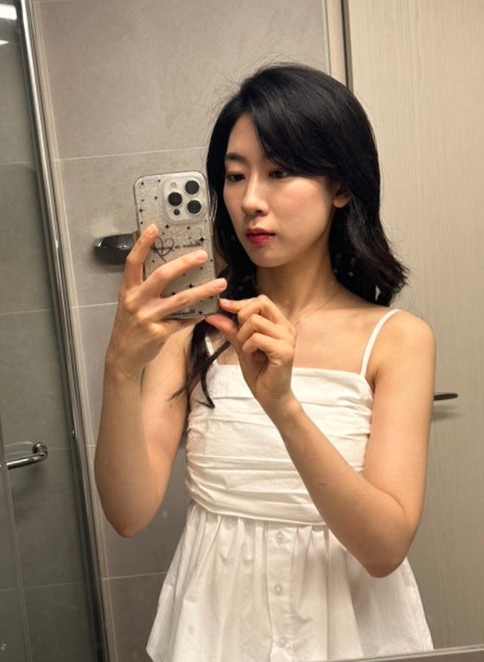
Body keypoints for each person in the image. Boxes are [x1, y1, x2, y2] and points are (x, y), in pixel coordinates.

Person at [95, 62, 436, 662]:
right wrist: (120, 369)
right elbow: (127, 513)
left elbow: (384, 550)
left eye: (279, 172)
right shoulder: (194, 331)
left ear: (341, 186)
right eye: (234, 176)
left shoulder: (397, 340)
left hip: (349, 632)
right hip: (217, 629)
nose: (250, 200)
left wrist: (283, 406)